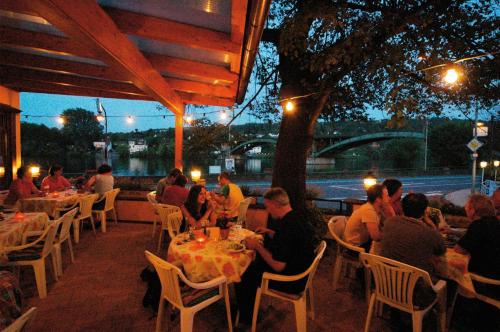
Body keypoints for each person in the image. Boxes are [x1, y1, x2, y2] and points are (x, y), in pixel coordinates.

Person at [235, 187, 315, 326]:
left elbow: (278, 266)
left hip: (291, 281)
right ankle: (248, 309)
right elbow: (288, 241)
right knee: (252, 265)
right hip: (301, 272)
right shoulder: (296, 217)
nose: (267, 210)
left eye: (267, 206)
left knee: (243, 272)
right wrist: (269, 231)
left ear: (276, 205)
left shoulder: (287, 226)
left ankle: (246, 319)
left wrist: (257, 246)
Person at [455, 194, 500, 332]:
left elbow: (459, 249)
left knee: (453, 273)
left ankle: (459, 317)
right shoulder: (495, 222)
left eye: (467, 207)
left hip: (488, 280)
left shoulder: (478, 225)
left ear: (473, 211)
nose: (465, 209)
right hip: (497, 273)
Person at [381, 193, 446, 277]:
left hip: (386, 278)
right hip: (415, 284)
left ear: (402, 207)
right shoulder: (428, 232)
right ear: (425, 211)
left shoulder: (389, 222)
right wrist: (430, 223)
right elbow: (441, 250)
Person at [344, 184, 389, 253]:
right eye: (387, 196)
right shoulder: (368, 211)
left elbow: (385, 224)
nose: (389, 198)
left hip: (364, 242)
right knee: (387, 250)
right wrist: (390, 236)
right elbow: (376, 237)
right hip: (356, 247)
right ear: (378, 199)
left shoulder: (375, 209)